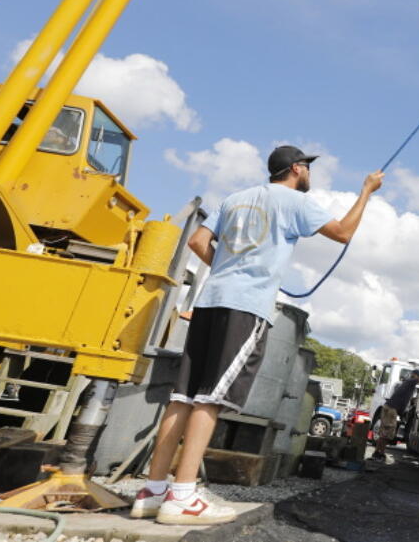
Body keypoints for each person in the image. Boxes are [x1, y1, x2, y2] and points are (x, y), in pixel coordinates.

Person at [131, 145, 383, 525]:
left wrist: (230, 266)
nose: (309, 174)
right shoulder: (295, 203)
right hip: (245, 308)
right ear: (297, 169)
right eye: (308, 168)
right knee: (210, 400)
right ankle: (182, 496)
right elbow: (343, 233)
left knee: (182, 395)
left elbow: (198, 242)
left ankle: (151, 494)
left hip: (210, 301)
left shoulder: (235, 198)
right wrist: (366, 191)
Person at [372, 368, 419, 464]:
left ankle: (377, 453)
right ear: (415, 376)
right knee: (387, 434)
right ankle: (380, 454)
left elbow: (405, 398)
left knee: (384, 433)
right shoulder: (411, 381)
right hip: (391, 410)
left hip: (389, 408)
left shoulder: (407, 383)